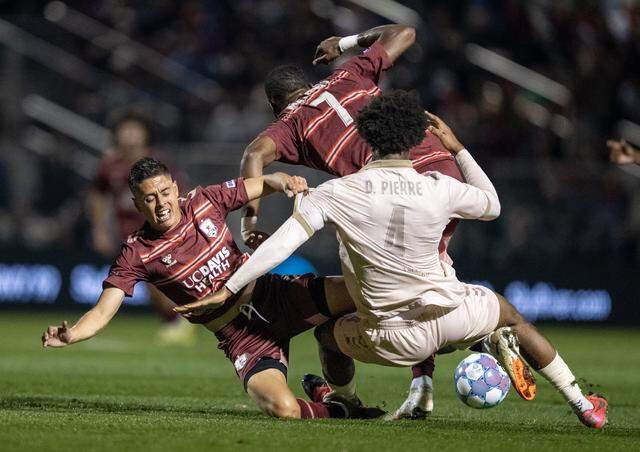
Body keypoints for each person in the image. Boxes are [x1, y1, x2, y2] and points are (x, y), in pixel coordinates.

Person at [178, 92, 609, 429]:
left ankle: (344, 400)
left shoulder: (337, 193)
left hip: (392, 339)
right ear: (414, 140)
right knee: (512, 316)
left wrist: (229, 287)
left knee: (327, 333)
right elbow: (493, 205)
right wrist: (458, 148)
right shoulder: (438, 185)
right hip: (452, 313)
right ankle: (583, 403)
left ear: (366, 138)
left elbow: (278, 249)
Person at [43, 157, 382, 420]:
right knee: (284, 410)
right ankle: (336, 407)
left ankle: (415, 378)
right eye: (149, 199)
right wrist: (73, 334)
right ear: (137, 205)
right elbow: (103, 310)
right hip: (240, 335)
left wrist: (284, 181)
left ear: (175, 188)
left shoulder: (205, 200)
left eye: (164, 193)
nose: (161, 204)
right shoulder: (138, 252)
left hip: (275, 295)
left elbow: (263, 181)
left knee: (365, 293)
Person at [240, 23, 462, 418]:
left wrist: (248, 221)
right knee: (420, 281)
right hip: (441, 168)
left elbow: (253, 155)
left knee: (404, 298)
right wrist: (343, 43)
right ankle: (425, 380)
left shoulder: (289, 123)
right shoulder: (348, 73)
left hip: (394, 195)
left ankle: (477, 337)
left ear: (275, 104)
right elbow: (405, 31)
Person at [89, 112, 195, 345]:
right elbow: (97, 194)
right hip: (130, 236)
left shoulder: (157, 164)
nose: (129, 135)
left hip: (159, 232)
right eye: (124, 130)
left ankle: (179, 322)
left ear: (144, 134)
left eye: (134, 130)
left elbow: (179, 193)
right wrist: (99, 229)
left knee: (155, 282)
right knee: (151, 286)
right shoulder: (110, 166)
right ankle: (177, 322)